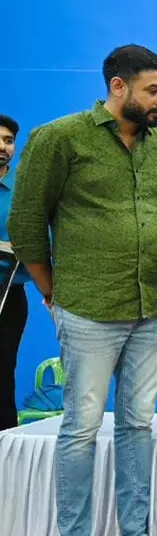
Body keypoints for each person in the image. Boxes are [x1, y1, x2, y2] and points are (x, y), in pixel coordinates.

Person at [9, 45, 157, 536]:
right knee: (82, 428)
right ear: (118, 87)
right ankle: (75, 531)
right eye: (154, 90)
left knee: (138, 426)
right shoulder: (60, 138)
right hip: (86, 308)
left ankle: (136, 529)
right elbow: (26, 221)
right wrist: (52, 291)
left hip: (151, 307)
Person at [0, 114, 30, 432]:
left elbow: (38, 241)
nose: (3, 147)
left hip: (8, 295)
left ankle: (3, 441)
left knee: (3, 369)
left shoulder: (24, 191)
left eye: (8, 141)